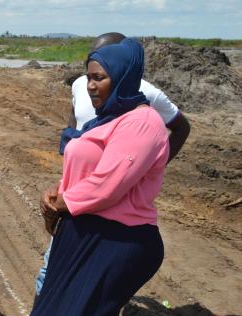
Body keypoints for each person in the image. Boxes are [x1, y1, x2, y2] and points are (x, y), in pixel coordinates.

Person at [8, 38, 170, 316]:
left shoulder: (142, 122)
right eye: (88, 78)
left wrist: (60, 203)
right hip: (84, 234)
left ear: (123, 77)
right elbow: (85, 173)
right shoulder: (105, 120)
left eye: (99, 78)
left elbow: (107, 186)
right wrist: (57, 191)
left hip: (116, 240)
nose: (90, 86)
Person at [33, 32, 191, 299]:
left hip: (104, 209)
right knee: (53, 274)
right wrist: (69, 167)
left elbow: (180, 127)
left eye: (103, 64)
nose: (91, 80)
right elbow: (75, 125)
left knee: (79, 287)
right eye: (92, 62)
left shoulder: (146, 96)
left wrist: (146, 169)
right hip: (79, 195)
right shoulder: (82, 84)